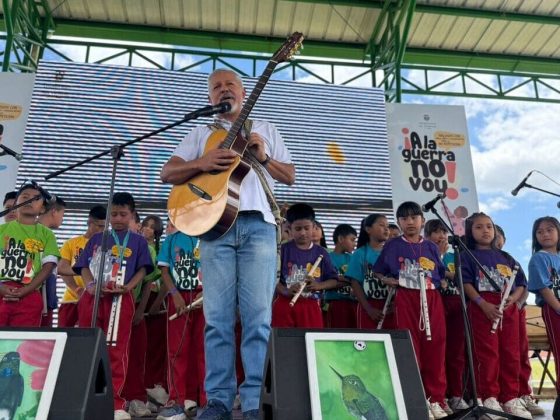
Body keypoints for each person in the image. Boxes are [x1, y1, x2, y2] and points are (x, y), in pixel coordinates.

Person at [160, 68, 295, 420]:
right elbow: (167, 173)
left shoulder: (265, 128)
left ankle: (254, 402)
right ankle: (218, 400)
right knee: (217, 318)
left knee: (257, 318)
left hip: (259, 226)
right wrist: (202, 162)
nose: (223, 89)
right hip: (215, 228)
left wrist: (264, 158)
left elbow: (290, 176)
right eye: (216, 86)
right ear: (209, 97)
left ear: (244, 92)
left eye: (230, 84)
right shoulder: (201, 132)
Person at [74, 192, 154, 420]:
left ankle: (115, 402)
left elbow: (143, 270)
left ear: (132, 215)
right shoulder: (97, 239)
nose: (118, 218)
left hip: (120, 298)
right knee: (90, 347)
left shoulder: (138, 241)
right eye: (114, 214)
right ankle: (86, 399)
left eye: (123, 214)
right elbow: (83, 266)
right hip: (94, 298)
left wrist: (128, 287)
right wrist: (90, 285)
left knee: (117, 350)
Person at [373, 202, 447, 419]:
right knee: (410, 346)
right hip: (406, 297)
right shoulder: (393, 245)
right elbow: (378, 271)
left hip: (431, 297)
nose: (410, 222)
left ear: (422, 220)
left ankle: (436, 399)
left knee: (436, 346)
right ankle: (416, 400)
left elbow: (441, 274)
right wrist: (387, 279)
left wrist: (441, 282)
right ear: (398, 222)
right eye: (404, 218)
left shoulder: (431, 246)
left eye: (414, 217)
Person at [460, 213, 531, 419]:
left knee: (511, 353)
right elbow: (465, 283)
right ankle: (489, 397)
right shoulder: (467, 255)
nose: (485, 230)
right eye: (479, 227)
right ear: (470, 232)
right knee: (487, 354)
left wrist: (513, 299)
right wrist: (483, 304)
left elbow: (521, 284)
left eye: (489, 226)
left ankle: (510, 398)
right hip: (483, 308)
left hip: (507, 308)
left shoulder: (506, 257)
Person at [156, 228, 205, 420]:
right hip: (178, 298)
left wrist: (207, 290)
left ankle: (206, 402)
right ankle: (177, 401)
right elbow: (164, 271)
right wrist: (175, 294)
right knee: (177, 350)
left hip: (204, 297)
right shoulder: (172, 239)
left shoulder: (210, 235)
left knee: (204, 351)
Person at [496, 224, 544, 416]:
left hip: (514, 313)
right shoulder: (477, 258)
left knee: (519, 354)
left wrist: (517, 304)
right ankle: (500, 397)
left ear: (504, 240)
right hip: (493, 312)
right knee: (496, 355)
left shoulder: (510, 260)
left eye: (498, 235)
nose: (494, 238)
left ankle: (524, 394)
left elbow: (523, 286)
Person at [0, 182, 59, 326]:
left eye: (35, 198)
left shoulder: (47, 234)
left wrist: (26, 290)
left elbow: (48, 266)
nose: (29, 201)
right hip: (1, 288)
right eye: (25, 197)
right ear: (15, 203)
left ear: (43, 208)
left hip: (30, 292)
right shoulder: (2, 230)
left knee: (23, 338)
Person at [424, 219, 468, 413]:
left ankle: (456, 395)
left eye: (444, 231)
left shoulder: (455, 255)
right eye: (436, 232)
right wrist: (439, 257)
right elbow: (434, 275)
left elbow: (463, 278)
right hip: (435, 303)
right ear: (427, 236)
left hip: (456, 304)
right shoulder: (425, 253)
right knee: (436, 352)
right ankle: (437, 397)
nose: (441, 236)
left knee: (456, 352)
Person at [271, 203, 338, 329]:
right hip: (284, 304)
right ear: (289, 228)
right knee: (282, 339)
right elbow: (271, 278)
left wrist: (318, 285)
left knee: (311, 339)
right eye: (298, 229)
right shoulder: (282, 250)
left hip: (311, 306)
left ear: (314, 227)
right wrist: (285, 291)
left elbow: (334, 280)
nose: (303, 233)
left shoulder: (321, 253)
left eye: (307, 228)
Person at [527, 216, 560, 418]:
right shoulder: (539, 258)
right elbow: (544, 288)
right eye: (540, 231)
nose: (545, 234)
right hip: (554, 309)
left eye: (550, 229)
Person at [57, 205, 106, 327]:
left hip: (97, 299)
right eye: (99, 226)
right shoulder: (71, 243)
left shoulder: (107, 246)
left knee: (90, 334)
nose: (102, 230)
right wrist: (77, 288)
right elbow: (61, 268)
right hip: (72, 299)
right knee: (64, 334)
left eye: (105, 226)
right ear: (89, 222)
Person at [347, 214, 396, 330]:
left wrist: (396, 304)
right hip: (368, 306)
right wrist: (369, 309)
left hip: (391, 307)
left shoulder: (393, 252)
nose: (386, 229)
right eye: (381, 225)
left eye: (387, 226)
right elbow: (355, 283)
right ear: (368, 229)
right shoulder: (360, 254)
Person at [38, 195, 66, 327]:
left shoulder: (47, 233)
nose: (62, 219)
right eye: (62, 214)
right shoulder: (37, 232)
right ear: (54, 211)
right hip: (38, 295)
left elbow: (57, 267)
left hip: (47, 295)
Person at [325, 223, 357, 328]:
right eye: (352, 240)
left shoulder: (353, 258)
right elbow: (326, 280)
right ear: (341, 239)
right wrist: (349, 280)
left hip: (354, 303)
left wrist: (339, 279)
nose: (354, 244)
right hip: (336, 303)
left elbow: (357, 278)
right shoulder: (327, 258)